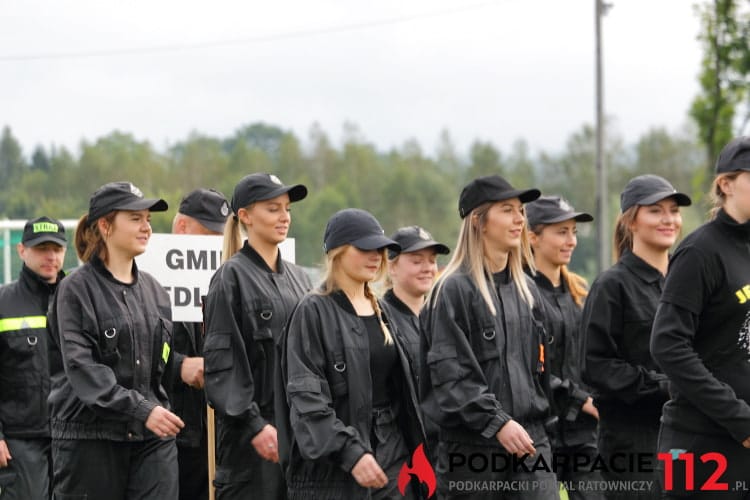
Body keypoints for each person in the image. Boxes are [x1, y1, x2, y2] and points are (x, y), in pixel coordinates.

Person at [420, 175, 558, 499]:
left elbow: (544, 376)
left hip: (530, 441)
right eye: (507, 210)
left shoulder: (529, 293)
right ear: (479, 221)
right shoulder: (452, 290)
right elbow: (452, 377)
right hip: (472, 448)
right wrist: (497, 422)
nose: (520, 219)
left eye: (521, 210)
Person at [47, 181, 184, 500]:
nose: (146, 227)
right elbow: (83, 369)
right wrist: (141, 408)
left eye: (148, 219)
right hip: (90, 440)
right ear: (105, 226)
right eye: (135, 219)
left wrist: (154, 410)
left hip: (151, 440)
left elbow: (162, 367)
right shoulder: (75, 290)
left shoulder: (157, 292)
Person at [281, 208, 426, 499]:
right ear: (338, 251)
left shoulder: (382, 311)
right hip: (333, 474)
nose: (376, 256)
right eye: (365, 248)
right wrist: (352, 453)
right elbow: (307, 401)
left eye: (381, 249)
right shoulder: (312, 311)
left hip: (393, 458)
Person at [651, 136, 750, 498]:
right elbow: (668, 344)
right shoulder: (699, 251)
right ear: (725, 184)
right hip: (703, 447)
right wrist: (740, 419)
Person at [581, 174, 691, 499]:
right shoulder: (611, 285)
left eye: (673, 210)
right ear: (631, 221)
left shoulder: (687, 283)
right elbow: (594, 366)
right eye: (655, 211)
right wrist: (663, 385)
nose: (668, 219)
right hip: (633, 440)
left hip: (685, 435)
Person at [203, 173, 312, 500]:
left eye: (287, 209)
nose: (284, 217)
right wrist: (255, 426)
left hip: (299, 440)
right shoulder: (230, 278)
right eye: (272, 208)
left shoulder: (301, 280)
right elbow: (224, 366)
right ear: (246, 217)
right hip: (250, 449)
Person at [525, 196, 603, 500]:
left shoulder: (579, 292)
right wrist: (578, 398)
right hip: (538, 433)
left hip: (583, 432)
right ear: (533, 237)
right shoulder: (520, 295)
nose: (571, 240)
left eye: (573, 231)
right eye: (561, 232)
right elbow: (528, 364)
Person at [169, 188, 230, 500]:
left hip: (219, 431)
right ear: (182, 227)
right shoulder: (149, 278)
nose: (215, 244)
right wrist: (179, 365)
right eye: (208, 234)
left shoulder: (226, 282)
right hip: (169, 431)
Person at [0, 216, 66, 499]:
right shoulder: (4, 303)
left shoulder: (79, 299)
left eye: (57, 248)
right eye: (41, 249)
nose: (50, 256)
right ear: (22, 250)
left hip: (71, 438)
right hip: (20, 441)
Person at [383, 225, 450, 380]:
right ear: (392, 267)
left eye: (432, 261)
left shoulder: (443, 316)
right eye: (417, 261)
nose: (428, 268)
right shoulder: (381, 320)